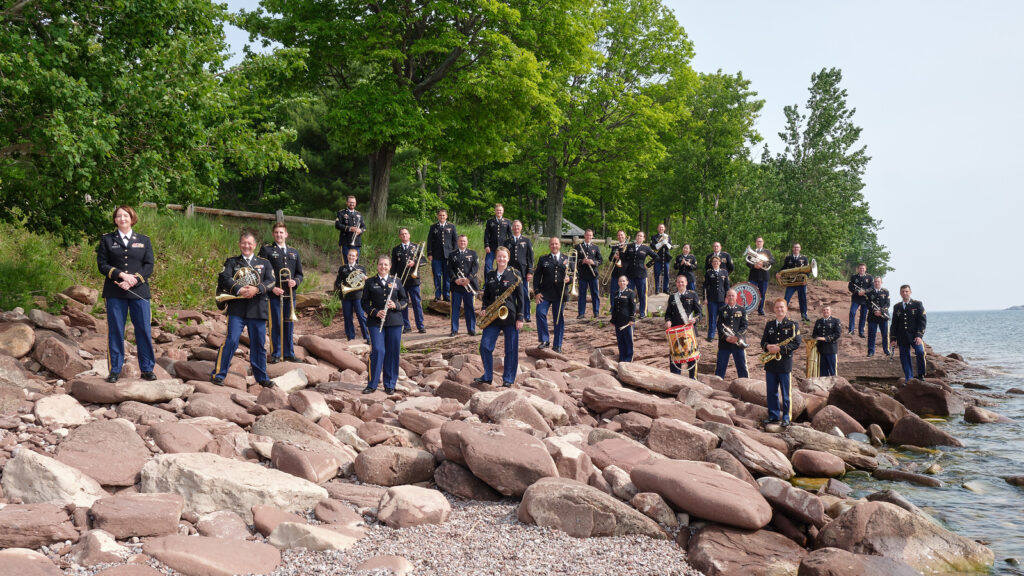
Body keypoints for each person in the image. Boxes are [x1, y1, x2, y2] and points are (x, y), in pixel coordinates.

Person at [96, 205, 156, 383]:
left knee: (143, 330)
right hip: (115, 290)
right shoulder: (107, 240)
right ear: (115, 220)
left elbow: (149, 265)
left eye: (126, 215)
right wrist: (121, 275)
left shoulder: (144, 240)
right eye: (119, 216)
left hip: (139, 291)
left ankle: (147, 369)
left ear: (132, 218)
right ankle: (115, 370)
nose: (122, 219)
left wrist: (133, 279)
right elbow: (102, 264)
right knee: (115, 330)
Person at [212, 231, 276, 387]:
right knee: (231, 340)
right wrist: (239, 289)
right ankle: (219, 374)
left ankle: (261, 378)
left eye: (250, 243)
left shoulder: (264, 263)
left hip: (257, 308)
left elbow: (271, 281)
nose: (246, 246)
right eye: (243, 243)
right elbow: (224, 278)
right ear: (239, 244)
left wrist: (256, 289)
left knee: (259, 344)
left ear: (254, 246)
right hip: (237, 309)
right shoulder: (232, 262)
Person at [474, 247, 524, 387]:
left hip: (510, 317)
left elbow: (521, 299)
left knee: (511, 349)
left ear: (508, 258)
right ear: (496, 258)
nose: (501, 259)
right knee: (485, 346)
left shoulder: (515, 274)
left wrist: (520, 318)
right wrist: (484, 309)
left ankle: (508, 379)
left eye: (504, 257)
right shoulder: (490, 275)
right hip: (493, 317)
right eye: (499, 256)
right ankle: (488, 376)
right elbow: (487, 297)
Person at [361, 255, 409, 394]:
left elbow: (405, 300)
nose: (383, 267)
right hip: (376, 322)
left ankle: (389, 384)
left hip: (394, 321)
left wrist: (396, 305)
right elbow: (364, 303)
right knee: (378, 350)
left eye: (386, 265)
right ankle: (372, 384)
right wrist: (375, 312)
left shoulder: (397, 281)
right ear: (377, 265)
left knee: (392, 352)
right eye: (381, 264)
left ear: (390, 267)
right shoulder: (370, 282)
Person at [259, 223, 303, 364]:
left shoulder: (294, 252)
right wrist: (272, 288)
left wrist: (295, 282)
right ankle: (276, 354)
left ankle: (289, 353)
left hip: (290, 295)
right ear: (273, 234)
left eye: (281, 232)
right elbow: (260, 273)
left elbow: (299, 274)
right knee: (276, 325)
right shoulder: (266, 250)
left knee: (289, 324)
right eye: (276, 232)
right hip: (274, 294)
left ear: (286, 234)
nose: (279, 235)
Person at [760, 298, 802, 427]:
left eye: (782, 307)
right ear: (774, 309)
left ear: (786, 309)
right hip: (771, 364)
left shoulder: (793, 325)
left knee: (785, 392)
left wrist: (780, 348)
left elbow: (796, 343)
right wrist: (767, 347)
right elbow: (763, 341)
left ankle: (786, 417)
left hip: (784, 363)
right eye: (777, 307)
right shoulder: (770, 325)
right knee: (771, 392)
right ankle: (773, 416)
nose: (779, 309)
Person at [534, 237, 570, 352]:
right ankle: (545, 340)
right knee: (540, 312)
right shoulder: (543, 259)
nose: (554, 246)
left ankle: (557, 345)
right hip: (545, 293)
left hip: (560, 294)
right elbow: (537, 277)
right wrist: (537, 292)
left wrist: (570, 280)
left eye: (556, 244)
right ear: (549, 246)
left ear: (560, 245)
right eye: (552, 244)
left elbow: (575, 275)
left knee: (558, 319)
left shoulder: (567, 258)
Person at [665, 274, 702, 377]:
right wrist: (668, 321)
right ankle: (675, 378)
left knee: (691, 355)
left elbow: (700, 313)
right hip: (676, 332)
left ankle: (693, 378)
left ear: (686, 283)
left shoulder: (693, 295)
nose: (680, 284)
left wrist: (695, 319)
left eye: (682, 282)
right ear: (676, 283)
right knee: (676, 355)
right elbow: (668, 313)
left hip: (689, 330)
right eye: (678, 282)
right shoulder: (672, 297)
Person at [890, 284, 927, 384]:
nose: (905, 293)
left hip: (915, 336)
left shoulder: (917, 304)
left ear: (910, 292)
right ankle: (909, 378)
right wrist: (893, 339)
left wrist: (919, 336)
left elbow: (922, 321)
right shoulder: (897, 307)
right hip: (902, 336)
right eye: (903, 291)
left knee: (920, 352)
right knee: (905, 357)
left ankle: (921, 375)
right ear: (900, 293)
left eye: (906, 291)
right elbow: (894, 324)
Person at [392, 228, 426, 334]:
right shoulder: (396, 249)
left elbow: (424, 261)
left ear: (409, 235)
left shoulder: (416, 247)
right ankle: (406, 326)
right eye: (402, 234)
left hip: (414, 280)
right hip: (401, 281)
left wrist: (414, 262)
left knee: (417, 303)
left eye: (406, 234)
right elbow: (393, 267)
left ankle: (420, 326)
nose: (404, 236)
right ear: (399, 236)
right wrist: (393, 280)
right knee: (403, 304)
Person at [334, 248, 369, 343]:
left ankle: (367, 337)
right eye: (349, 255)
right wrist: (340, 286)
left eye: (353, 255)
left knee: (361, 316)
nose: (351, 257)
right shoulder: (342, 268)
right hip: (346, 296)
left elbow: (363, 283)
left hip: (358, 295)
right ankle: (350, 338)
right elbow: (337, 282)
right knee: (347, 317)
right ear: (347, 256)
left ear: (356, 257)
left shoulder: (361, 268)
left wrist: (365, 279)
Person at [447, 234, 479, 336]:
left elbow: (475, 268)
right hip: (456, 286)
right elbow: (449, 269)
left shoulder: (473, 253)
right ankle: (454, 330)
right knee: (455, 308)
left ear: (467, 242)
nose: (462, 243)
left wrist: (468, 279)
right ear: (457, 242)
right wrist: (455, 279)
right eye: (461, 241)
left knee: (469, 307)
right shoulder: (452, 255)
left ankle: (471, 329)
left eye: (464, 241)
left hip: (469, 286)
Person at [715, 289, 749, 379]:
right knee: (720, 366)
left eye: (732, 295)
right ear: (726, 297)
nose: (731, 297)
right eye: (729, 295)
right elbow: (719, 326)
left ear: (736, 297)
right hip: (724, 343)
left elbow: (745, 326)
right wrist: (726, 337)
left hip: (738, 343)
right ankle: (717, 384)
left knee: (742, 366)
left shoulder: (742, 310)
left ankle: (745, 385)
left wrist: (737, 337)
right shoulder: (722, 310)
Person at [506, 220, 534, 322]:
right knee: (511, 295)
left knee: (524, 295)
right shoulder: (507, 242)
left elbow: (530, 257)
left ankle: (526, 315)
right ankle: (513, 315)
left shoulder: (526, 241)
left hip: (523, 272)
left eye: (518, 226)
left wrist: (530, 272)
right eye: (514, 226)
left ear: (521, 228)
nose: (516, 228)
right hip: (511, 273)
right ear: (512, 228)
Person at [624, 231, 657, 317]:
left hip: (641, 275)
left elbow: (656, 257)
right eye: (638, 235)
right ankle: (631, 312)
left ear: (644, 238)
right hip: (630, 274)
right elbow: (624, 257)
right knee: (630, 294)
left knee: (642, 294)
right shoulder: (629, 246)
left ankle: (643, 313)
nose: (639, 237)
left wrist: (648, 265)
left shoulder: (646, 248)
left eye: (641, 236)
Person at [427, 208, 457, 302]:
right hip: (436, 256)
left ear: (446, 216)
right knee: (437, 275)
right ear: (437, 216)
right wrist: (429, 253)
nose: (442, 217)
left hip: (448, 256)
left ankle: (446, 295)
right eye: (440, 215)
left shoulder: (451, 226)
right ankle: (437, 295)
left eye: (444, 215)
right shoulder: (433, 227)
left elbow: (455, 241)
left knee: (447, 276)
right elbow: (429, 241)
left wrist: (454, 253)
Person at [777, 243, 811, 322]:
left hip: (801, 283)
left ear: (800, 249)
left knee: (802, 299)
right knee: (786, 298)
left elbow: (808, 271)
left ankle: (804, 315)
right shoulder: (788, 258)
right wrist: (778, 272)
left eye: (797, 247)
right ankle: (783, 314)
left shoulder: (804, 258)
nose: (796, 248)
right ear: (793, 248)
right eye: (795, 247)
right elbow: (784, 267)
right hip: (790, 282)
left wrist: (806, 280)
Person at [575, 229, 603, 319]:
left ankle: (596, 312)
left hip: (593, 274)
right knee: (582, 294)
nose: (589, 237)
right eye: (587, 235)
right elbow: (573, 260)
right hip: (582, 274)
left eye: (590, 235)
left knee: (595, 293)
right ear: (584, 235)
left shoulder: (595, 247)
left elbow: (600, 260)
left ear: (592, 236)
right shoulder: (578, 247)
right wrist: (582, 261)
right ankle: (581, 313)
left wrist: (593, 262)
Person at [745, 237, 774, 316]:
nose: (759, 243)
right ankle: (750, 309)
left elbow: (772, 260)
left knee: (762, 293)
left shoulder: (767, 251)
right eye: (758, 241)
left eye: (760, 241)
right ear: (755, 243)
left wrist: (762, 264)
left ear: (763, 242)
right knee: (751, 292)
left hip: (764, 276)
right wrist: (754, 265)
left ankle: (760, 310)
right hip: (753, 276)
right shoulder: (752, 251)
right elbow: (747, 262)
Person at [610, 276, 637, 362]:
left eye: (624, 281)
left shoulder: (630, 293)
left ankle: (628, 359)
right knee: (620, 340)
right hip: (618, 320)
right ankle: (622, 358)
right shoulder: (616, 293)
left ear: (627, 282)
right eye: (620, 281)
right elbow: (615, 308)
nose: (622, 283)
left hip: (627, 321)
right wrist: (613, 320)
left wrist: (632, 319)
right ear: (618, 283)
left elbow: (633, 307)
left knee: (628, 340)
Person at [703, 256, 730, 341]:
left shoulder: (724, 272)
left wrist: (727, 297)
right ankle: (711, 336)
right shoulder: (708, 273)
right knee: (712, 318)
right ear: (711, 263)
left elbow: (727, 286)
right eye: (714, 262)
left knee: (724, 318)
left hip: (722, 299)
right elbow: (705, 287)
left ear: (720, 263)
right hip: (712, 299)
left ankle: (724, 336)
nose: (715, 263)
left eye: (717, 262)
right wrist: (705, 298)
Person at [812, 304, 842, 376]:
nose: (825, 311)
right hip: (821, 350)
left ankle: (834, 387)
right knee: (822, 371)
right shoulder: (818, 322)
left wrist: (826, 338)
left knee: (832, 371)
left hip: (831, 349)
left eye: (827, 310)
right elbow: (814, 334)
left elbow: (837, 334)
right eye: (824, 310)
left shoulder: (835, 321)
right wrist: (817, 338)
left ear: (830, 311)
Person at [483, 203, 512, 275]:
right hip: (491, 247)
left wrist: (509, 246)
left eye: (500, 210)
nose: (499, 212)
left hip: (503, 247)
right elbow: (486, 234)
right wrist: (486, 245)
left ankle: (501, 281)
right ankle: (487, 283)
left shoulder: (507, 221)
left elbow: (510, 235)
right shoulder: (490, 221)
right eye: (497, 210)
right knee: (488, 265)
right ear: (495, 211)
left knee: (502, 265)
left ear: (503, 211)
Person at [865, 277, 891, 357]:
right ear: (873, 283)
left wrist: (881, 311)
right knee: (871, 335)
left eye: (878, 281)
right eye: (875, 281)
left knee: (885, 334)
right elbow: (867, 304)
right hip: (872, 317)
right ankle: (871, 352)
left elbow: (887, 304)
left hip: (883, 316)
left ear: (881, 282)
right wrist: (874, 311)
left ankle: (886, 350)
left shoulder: (886, 291)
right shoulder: (869, 292)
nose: (877, 283)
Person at [334, 195, 365, 260]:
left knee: (355, 264)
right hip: (345, 242)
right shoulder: (341, 213)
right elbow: (337, 225)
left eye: (353, 202)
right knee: (346, 263)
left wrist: (360, 230)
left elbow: (364, 226)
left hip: (356, 242)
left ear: (355, 203)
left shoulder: (359, 214)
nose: (352, 204)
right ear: (347, 203)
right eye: (350, 202)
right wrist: (350, 229)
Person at [847, 263, 873, 337]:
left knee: (863, 315)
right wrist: (857, 292)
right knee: (852, 312)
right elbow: (850, 287)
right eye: (860, 268)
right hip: (856, 298)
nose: (862, 269)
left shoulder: (869, 277)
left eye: (863, 268)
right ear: (858, 269)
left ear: (865, 269)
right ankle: (851, 330)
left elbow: (872, 287)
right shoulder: (854, 277)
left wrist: (865, 291)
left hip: (865, 299)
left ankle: (861, 332)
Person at [608, 230, 629, 302]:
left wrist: (620, 256)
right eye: (619, 235)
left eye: (622, 235)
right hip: (615, 272)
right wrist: (614, 257)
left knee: (625, 292)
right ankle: (613, 308)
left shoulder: (628, 246)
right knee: (613, 291)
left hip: (625, 272)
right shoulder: (615, 246)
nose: (620, 236)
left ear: (625, 236)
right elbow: (610, 259)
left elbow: (630, 259)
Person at [651, 223, 672, 294]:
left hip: (666, 257)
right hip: (657, 258)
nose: (661, 229)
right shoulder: (654, 237)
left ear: (664, 228)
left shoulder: (668, 237)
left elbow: (670, 247)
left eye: (662, 228)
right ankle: (657, 289)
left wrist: (666, 243)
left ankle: (666, 289)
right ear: (657, 228)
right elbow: (653, 247)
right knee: (656, 274)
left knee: (666, 274)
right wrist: (661, 243)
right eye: (660, 228)